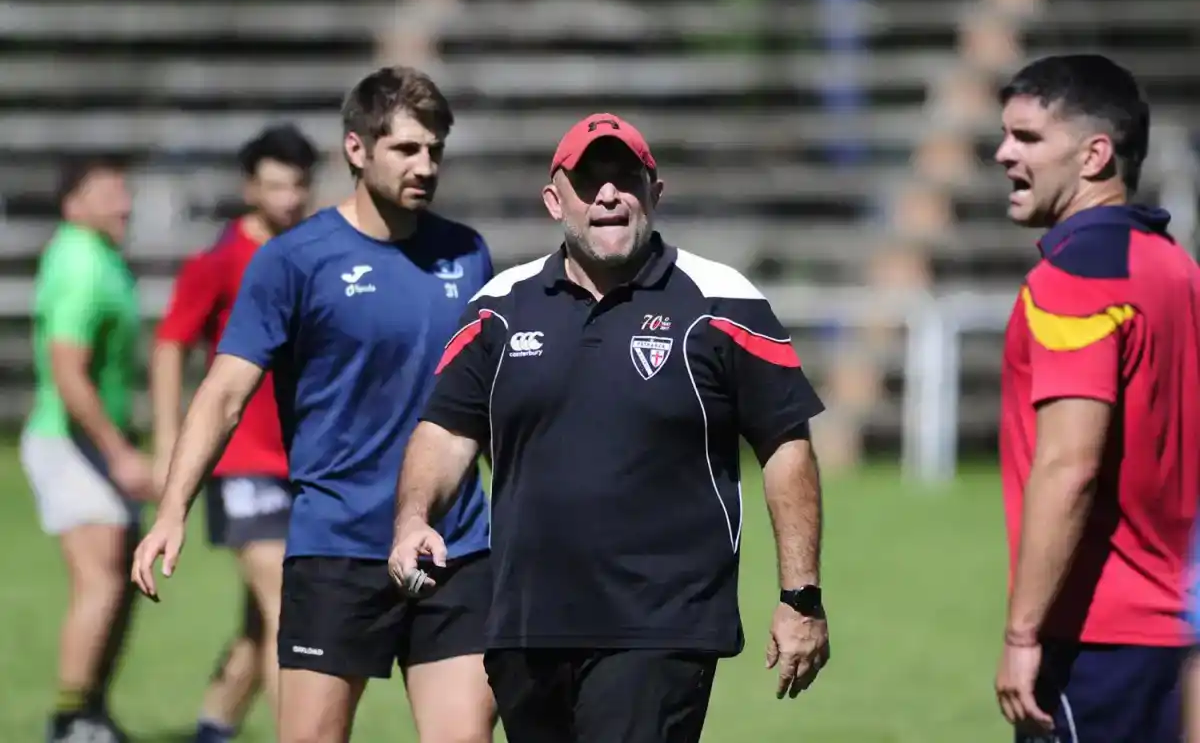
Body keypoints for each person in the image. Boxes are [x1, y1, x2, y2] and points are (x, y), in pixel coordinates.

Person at [390, 113, 832, 743]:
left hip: (659, 627)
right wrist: (412, 519)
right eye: (588, 179)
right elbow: (445, 432)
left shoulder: (723, 300)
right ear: (553, 200)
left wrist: (801, 597)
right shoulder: (498, 307)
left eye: (625, 177)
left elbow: (787, 445)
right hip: (525, 628)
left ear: (654, 191)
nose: (608, 194)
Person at [131, 66, 496, 743]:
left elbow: (491, 397)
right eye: (407, 149)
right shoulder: (294, 261)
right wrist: (173, 509)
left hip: (457, 543)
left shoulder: (468, 255)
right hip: (338, 544)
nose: (426, 165)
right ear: (357, 149)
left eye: (435, 150)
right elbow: (224, 393)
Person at [991, 53, 1200, 742]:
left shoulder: (1075, 278)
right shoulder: (1176, 269)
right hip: (1182, 628)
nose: (1003, 154)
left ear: (1094, 155)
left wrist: (1023, 634)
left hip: (1099, 635)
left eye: (1027, 138)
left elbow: (1069, 465)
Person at [151, 124, 319, 743]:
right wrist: (170, 440)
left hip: (300, 460)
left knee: (260, 621)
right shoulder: (220, 262)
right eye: (276, 185)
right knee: (287, 606)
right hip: (241, 460)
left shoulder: (314, 254)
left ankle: (213, 729)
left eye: (299, 185)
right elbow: (169, 345)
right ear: (251, 188)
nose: (289, 199)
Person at [22, 155, 154, 743]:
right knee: (98, 580)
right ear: (73, 202)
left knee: (120, 577)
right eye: (108, 192)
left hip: (93, 444)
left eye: (124, 191)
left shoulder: (104, 257)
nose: (122, 203)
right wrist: (118, 452)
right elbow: (67, 372)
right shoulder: (78, 260)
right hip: (69, 443)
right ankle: (70, 721)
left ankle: (92, 710)